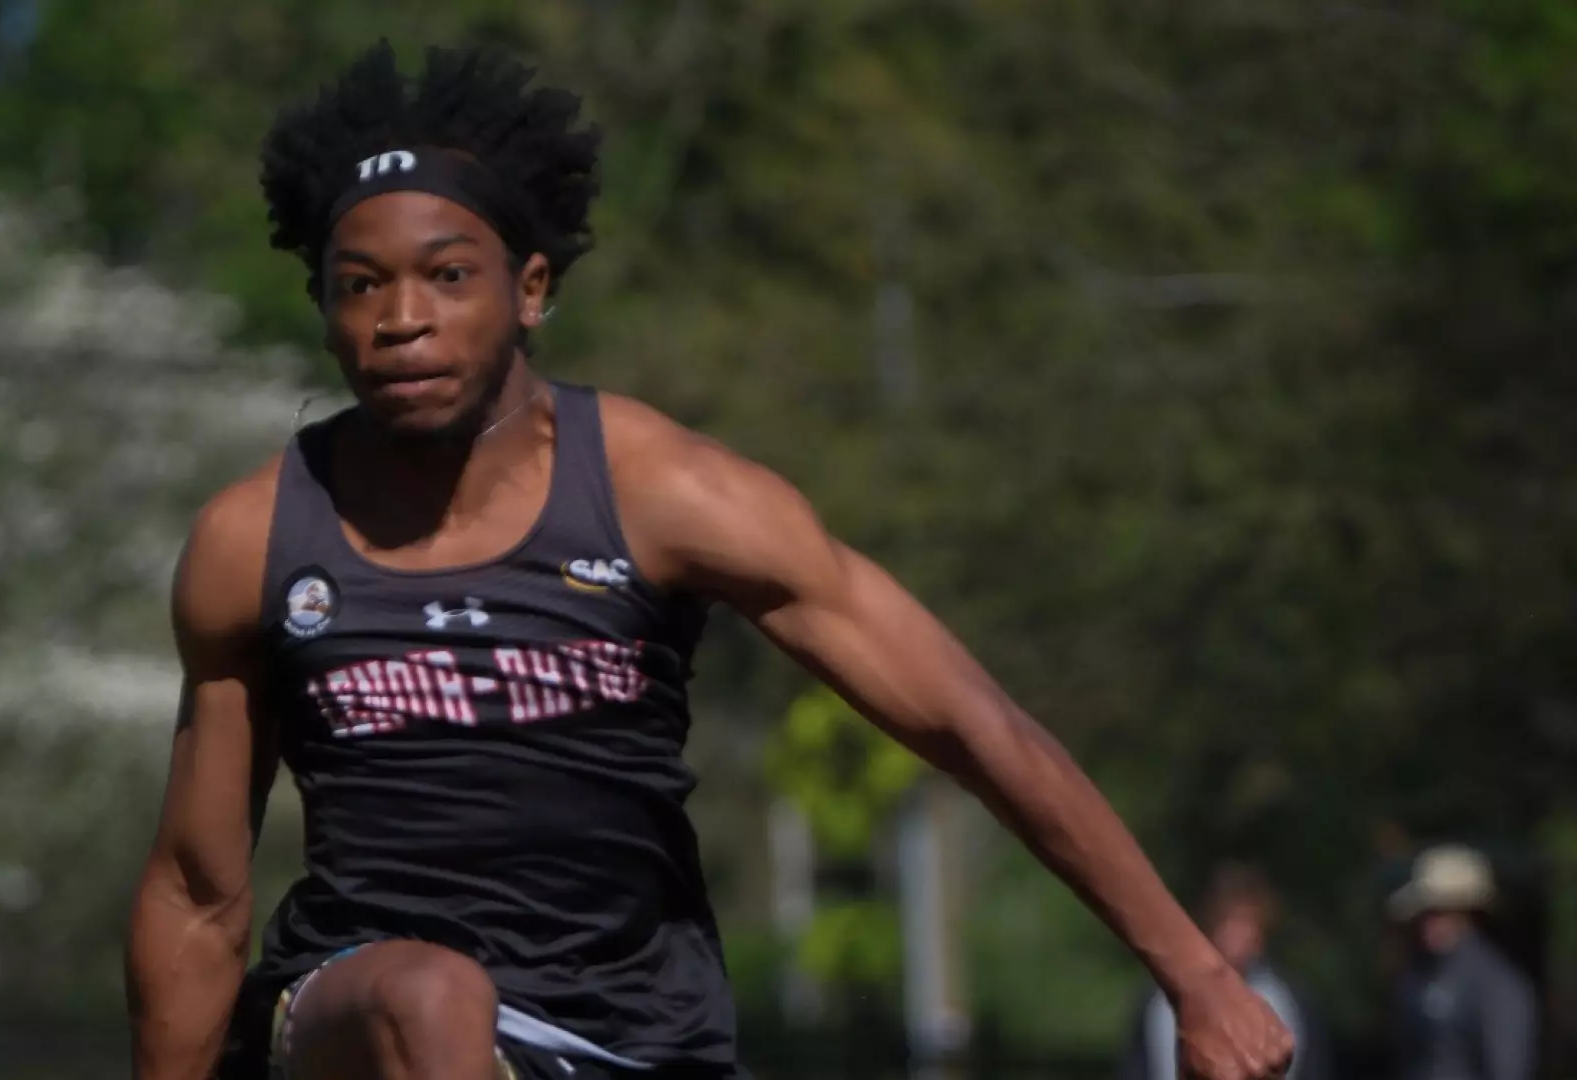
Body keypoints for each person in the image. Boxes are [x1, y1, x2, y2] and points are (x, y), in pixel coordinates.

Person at [123, 41, 1296, 1080]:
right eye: (358, 286)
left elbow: (969, 724)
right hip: (355, 1010)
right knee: (432, 1001)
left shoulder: (668, 494)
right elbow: (196, 888)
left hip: (638, 1030)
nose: (401, 319)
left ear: (531, 291)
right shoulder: (262, 536)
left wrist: (1195, 976)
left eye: (447, 275)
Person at [1121, 864, 1324, 1080]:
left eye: (1247, 924)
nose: (1240, 937)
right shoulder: (1159, 1001)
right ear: (1213, 923)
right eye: (1231, 923)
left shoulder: (1293, 1000)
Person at [1388, 845, 1537, 1080]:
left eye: (1440, 911)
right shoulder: (1418, 975)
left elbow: (1508, 1069)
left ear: (1467, 912)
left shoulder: (1497, 985)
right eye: (1425, 912)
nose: (1429, 922)